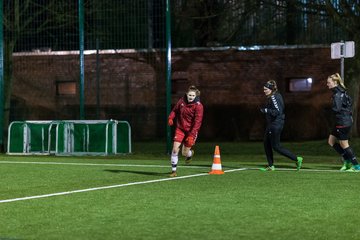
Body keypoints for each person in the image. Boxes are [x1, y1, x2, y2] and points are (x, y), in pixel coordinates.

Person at [260, 80, 303, 171]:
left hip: (275, 124)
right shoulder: (274, 96)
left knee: (276, 146)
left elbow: (277, 112)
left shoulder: (274, 97)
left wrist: (266, 110)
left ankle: (296, 159)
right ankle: (271, 166)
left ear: (271, 89)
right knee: (266, 143)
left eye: (265, 89)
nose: (264, 91)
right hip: (272, 124)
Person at [167, 85, 204, 177]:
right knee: (175, 149)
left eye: (193, 96)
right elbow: (175, 110)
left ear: (196, 96)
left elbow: (197, 122)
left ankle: (190, 154)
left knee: (184, 153)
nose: (191, 97)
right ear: (187, 94)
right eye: (189, 95)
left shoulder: (199, 106)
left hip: (191, 131)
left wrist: (191, 135)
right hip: (180, 129)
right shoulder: (181, 101)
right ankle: (173, 171)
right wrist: (171, 117)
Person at [326, 73, 360, 172]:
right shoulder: (341, 92)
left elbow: (336, 109)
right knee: (331, 141)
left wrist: (329, 109)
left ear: (335, 82)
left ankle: (356, 166)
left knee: (344, 144)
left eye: (329, 83)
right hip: (341, 121)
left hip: (343, 122)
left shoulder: (338, 94)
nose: (327, 84)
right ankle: (347, 161)